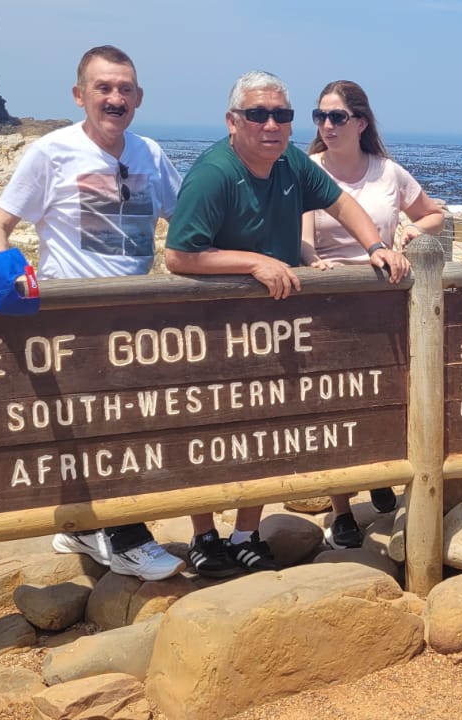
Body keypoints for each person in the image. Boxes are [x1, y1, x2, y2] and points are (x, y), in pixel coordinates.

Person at [164, 70, 409, 574]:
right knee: (209, 431)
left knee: (264, 427)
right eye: (258, 114)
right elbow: (179, 256)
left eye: (282, 114)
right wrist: (251, 262)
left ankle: (246, 532)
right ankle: (205, 537)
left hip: (272, 325)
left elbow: (341, 202)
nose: (271, 124)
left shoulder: (291, 163)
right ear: (233, 121)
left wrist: (377, 246)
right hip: (212, 327)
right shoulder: (213, 173)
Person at [0, 45, 188, 581]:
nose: (115, 98)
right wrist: (7, 273)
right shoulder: (52, 153)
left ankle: (79, 526)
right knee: (101, 427)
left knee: (127, 424)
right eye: (103, 88)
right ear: (80, 95)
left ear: (138, 98)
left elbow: (187, 222)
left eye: (124, 89)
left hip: (136, 317)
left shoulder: (150, 155)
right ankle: (125, 536)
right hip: (70, 320)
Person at [300, 80, 443, 548]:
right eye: (320, 115)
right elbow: (302, 236)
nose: (326, 125)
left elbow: (433, 214)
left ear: (360, 122)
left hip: (384, 301)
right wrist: (311, 263)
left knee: (383, 398)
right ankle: (341, 511)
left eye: (337, 116)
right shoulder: (306, 169)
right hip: (329, 305)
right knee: (336, 405)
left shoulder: (388, 173)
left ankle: (381, 474)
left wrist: (409, 234)